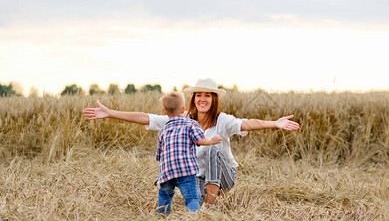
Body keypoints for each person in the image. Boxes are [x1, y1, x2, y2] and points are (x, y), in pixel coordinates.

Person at [83, 78, 299, 206]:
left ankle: (212, 205)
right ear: (194, 99)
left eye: (208, 95)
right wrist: (110, 113)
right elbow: (146, 118)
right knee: (192, 197)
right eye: (199, 95)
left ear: (214, 99)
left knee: (213, 147)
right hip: (198, 177)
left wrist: (274, 123)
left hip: (224, 176)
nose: (202, 99)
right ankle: (204, 198)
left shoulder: (223, 120)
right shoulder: (182, 120)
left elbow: (249, 124)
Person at [154, 91, 222, 214]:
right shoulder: (190, 124)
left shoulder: (163, 131)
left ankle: (162, 217)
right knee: (191, 198)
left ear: (164, 112)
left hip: (167, 172)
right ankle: (193, 217)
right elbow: (200, 140)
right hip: (185, 170)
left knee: (165, 195)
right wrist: (211, 140)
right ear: (183, 109)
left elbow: (159, 155)